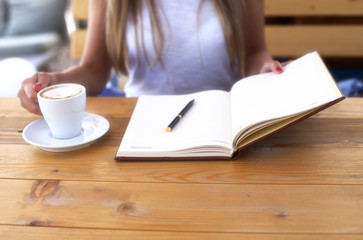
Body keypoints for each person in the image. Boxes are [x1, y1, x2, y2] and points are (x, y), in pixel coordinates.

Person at [18, 0, 285, 114]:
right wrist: (56, 81)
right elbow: (94, 70)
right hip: (141, 123)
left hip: (222, 122)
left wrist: (264, 71)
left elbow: (254, 53)